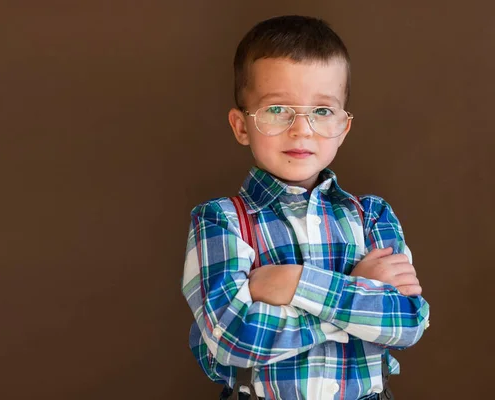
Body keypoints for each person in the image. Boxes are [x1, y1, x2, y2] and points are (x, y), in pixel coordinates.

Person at [181, 15, 430, 400]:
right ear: (241, 125)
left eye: (323, 111)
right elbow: (232, 338)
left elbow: (406, 322)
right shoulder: (220, 220)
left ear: (343, 128)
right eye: (277, 109)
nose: (302, 129)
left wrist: (291, 283)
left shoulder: (372, 217)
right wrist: (355, 292)